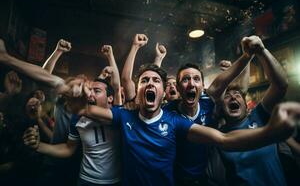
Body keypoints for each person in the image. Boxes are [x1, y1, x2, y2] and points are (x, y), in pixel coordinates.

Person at [24, 63, 296, 186]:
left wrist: (270, 132)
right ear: (139, 92)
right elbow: (78, 105)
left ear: (165, 94)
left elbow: (223, 140)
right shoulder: (124, 116)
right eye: (145, 81)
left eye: (156, 81)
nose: (150, 84)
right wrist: (70, 92)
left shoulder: (175, 121)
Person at [163, 36, 252, 185]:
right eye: (185, 79)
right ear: (178, 88)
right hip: (176, 180)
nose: (191, 83)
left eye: (196, 79)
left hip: (205, 178)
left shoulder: (208, 103)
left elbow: (225, 84)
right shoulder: (167, 112)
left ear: (202, 86)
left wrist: (247, 55)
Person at [217, 35, 289, 186]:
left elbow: (280, 85)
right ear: (220, 107)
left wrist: (261, 51)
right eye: (227, 96)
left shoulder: (259, 116)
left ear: (245, 104)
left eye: (237, 95)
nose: (232, 98)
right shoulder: (217, 135)